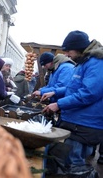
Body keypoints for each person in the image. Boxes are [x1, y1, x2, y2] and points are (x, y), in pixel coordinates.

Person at [42, 30, 103, 177]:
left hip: (84, 125)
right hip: (76, 122)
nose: (67, 54)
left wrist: (59, 104)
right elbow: (74, 87)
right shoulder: (84, 62)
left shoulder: (96, 63)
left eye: (69, 50)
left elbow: (89, 93)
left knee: (74, 165)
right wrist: (55, 93)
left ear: (79, 47)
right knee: (66, 163)